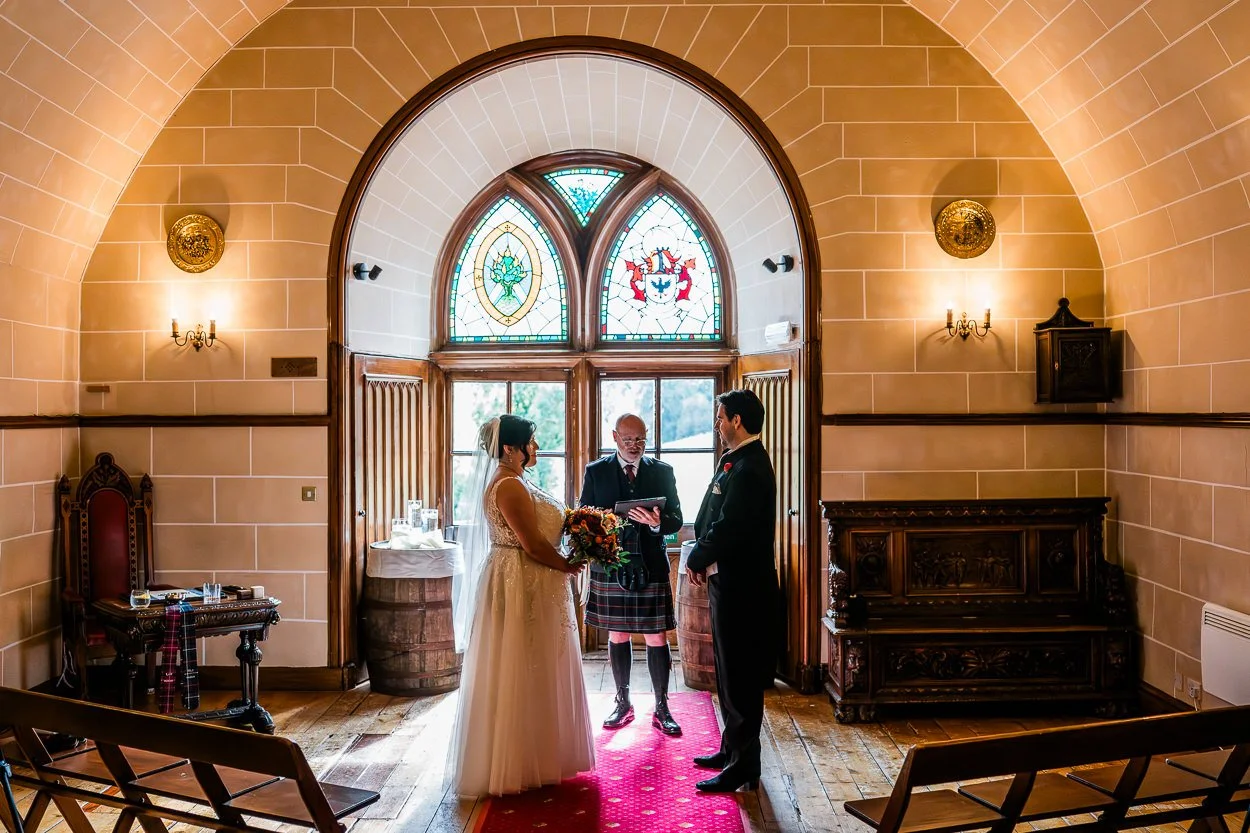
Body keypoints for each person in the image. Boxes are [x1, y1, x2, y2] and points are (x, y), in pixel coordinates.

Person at [447, 414, 595, 796]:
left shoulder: (519, 479)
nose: (537, 447)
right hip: (518, 580)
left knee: (537, 665)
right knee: (518, 663)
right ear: (510, 448)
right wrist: (567, 564)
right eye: (531, 441)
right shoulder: (508, 485)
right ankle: (516, 761)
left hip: (534, 579)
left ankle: (542, 755)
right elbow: (529, 542)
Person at [684, 389, 779, 794]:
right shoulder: (736, 463)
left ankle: (744, 766)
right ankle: (731, 749)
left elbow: (731, 526)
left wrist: (695, 557)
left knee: (740, 677)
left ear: (737, 420)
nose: (717, 424)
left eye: (720, 417)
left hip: (745, 586)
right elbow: (712, 513)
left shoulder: (751, 467)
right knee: (728, 673)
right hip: (729, 580)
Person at [580, 413, 684, 736]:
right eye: (628, 440)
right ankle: (622, 703)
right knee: (617, 635)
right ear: (614, 437)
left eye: (640, 439)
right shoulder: (595, 472)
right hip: (612, 565)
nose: (635, 446)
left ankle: (662, 706)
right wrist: (607, 522)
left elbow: (676, 518)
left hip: (650, 563)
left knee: (657, 636)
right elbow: (584, 516)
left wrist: (655, 523)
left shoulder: (662, 472)